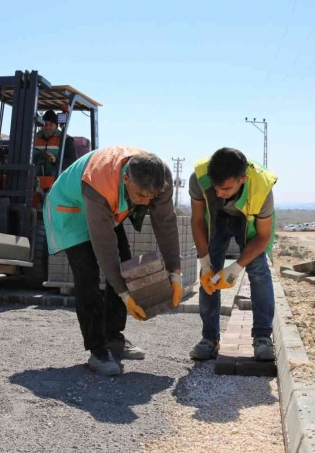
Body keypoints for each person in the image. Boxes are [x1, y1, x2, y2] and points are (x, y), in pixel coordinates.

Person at [44, 146, 182, 376]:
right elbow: (105, 250)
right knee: (87, 273)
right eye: (140, 196)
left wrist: (175, 273)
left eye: (152, 197)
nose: (146, 203)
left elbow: (165, 223)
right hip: (70, 208)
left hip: (104, 206)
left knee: (125, 265)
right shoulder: (100, 182)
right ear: (126, 178)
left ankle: (113, 338)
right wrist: (126, 296)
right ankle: (97, 350)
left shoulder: (162, 176)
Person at [188, 147, 278, 361]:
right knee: (208, 278)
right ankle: (209, 339)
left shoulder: (261, 188)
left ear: (243, 179)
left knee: (258, 270)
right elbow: (198, 220)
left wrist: (236, 268)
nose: (219, 193)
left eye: (226, 188)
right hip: (216, 219)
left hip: (248, 222)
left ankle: (262, 337)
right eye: (216, 187)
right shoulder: (199, 178)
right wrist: (206, 264)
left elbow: (263, 236)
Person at [34, 110, 77, 176]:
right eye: (45, 124)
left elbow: (72, 161)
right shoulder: (34, 138)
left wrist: (55, 161)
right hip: (36, 175)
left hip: (57, 176)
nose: (47, 127)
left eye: (51, 124)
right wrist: (39, 156)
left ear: (56, 126)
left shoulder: (65, 139)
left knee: (54, 174)